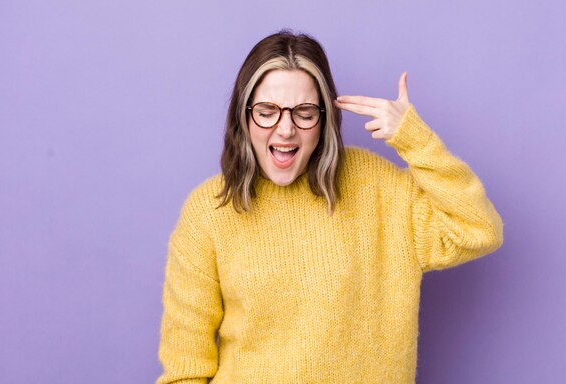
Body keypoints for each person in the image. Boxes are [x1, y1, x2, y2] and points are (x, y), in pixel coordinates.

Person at [156, 30, 503, 384]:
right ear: (244, 117)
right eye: (267, 112)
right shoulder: (208, 212)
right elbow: (186, 370)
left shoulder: (377, 188)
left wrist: (414, 139)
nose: (286, 129)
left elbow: (478, 230)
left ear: (324, 120)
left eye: (304, 112)